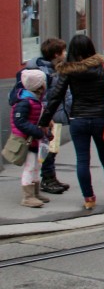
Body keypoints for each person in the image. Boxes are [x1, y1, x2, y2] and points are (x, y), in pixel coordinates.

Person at [39, 34, 104, 211]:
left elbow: (55, 97)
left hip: (79, 119)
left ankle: (89, 198)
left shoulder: (69, 71)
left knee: (82, 160)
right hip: (101, 119)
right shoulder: (103, 68)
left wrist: (44, 121)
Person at [24, 38, 71, 194]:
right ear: (56, 54)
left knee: (53, 148)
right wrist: (46, 116)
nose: (65, 53)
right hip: (48, 117)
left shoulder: (55, 68)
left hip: (54, 114)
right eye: (63, 51)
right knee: (48, 150)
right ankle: (47, 180)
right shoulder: (44, 72)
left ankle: (51, 177)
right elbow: (43, 96)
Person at [11, 70, 50, 208]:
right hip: (27, 140)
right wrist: (38, 132)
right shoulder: (25, 102)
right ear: (39, 86)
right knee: (30, 167)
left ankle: (35, 193)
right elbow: (19, 122)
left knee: (36, 166)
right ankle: (27, 197)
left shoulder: (34, 100)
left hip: (34, 139)